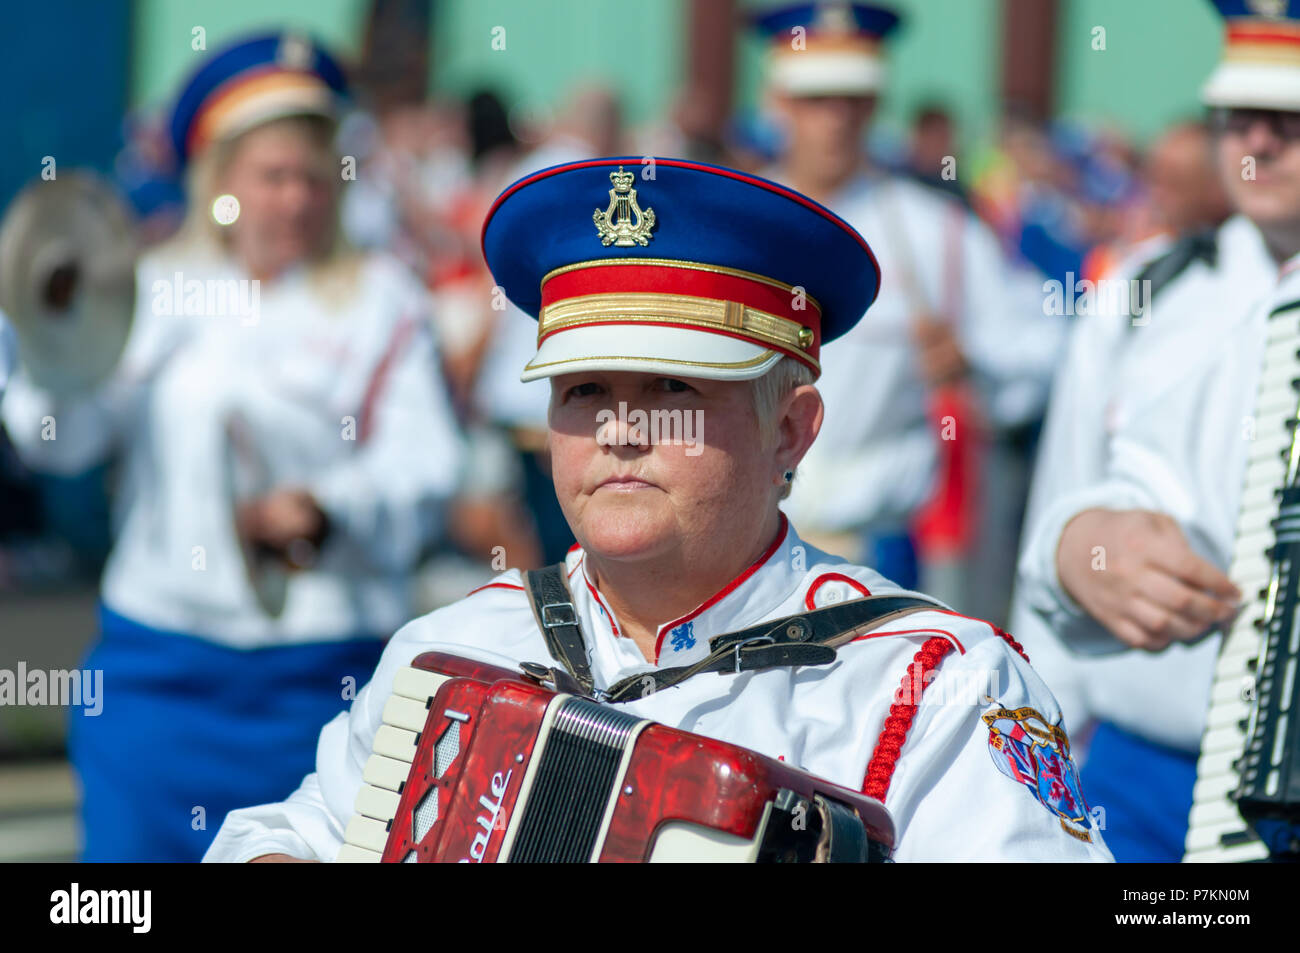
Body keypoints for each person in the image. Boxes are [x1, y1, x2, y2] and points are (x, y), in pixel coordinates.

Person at [203, 156, 1112, 863]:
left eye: (677, 387)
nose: (620, 430)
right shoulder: (454, 650)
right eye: (585, 389)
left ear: (791, 433)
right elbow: (293, 824)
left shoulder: (932, 687)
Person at [1, 33, 464, 861]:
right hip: (158, 675)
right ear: (220, 181)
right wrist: (53, 343)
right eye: (272, 176)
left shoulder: (382, 298)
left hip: (323, 682)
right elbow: (61, 444)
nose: (296, 199)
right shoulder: (149, 291)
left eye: (314, 178)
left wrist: (329, 511)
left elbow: (428, 466)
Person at [1013, 0, 1300, 861]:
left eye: (1288, 116)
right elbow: (1056, 511)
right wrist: (1078, 551)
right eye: (1235, 117)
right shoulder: (1147, 292)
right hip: (1141, 771)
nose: (1257, 141)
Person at [753, 3, 1065, 622]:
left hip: (882, 553)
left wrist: (970, 363)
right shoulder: (735, 222)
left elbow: (1048, 349)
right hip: (741, 543)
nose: (837, 119)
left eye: (854, 99)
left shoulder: (935, 230)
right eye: (817, 99)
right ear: (779, 102)